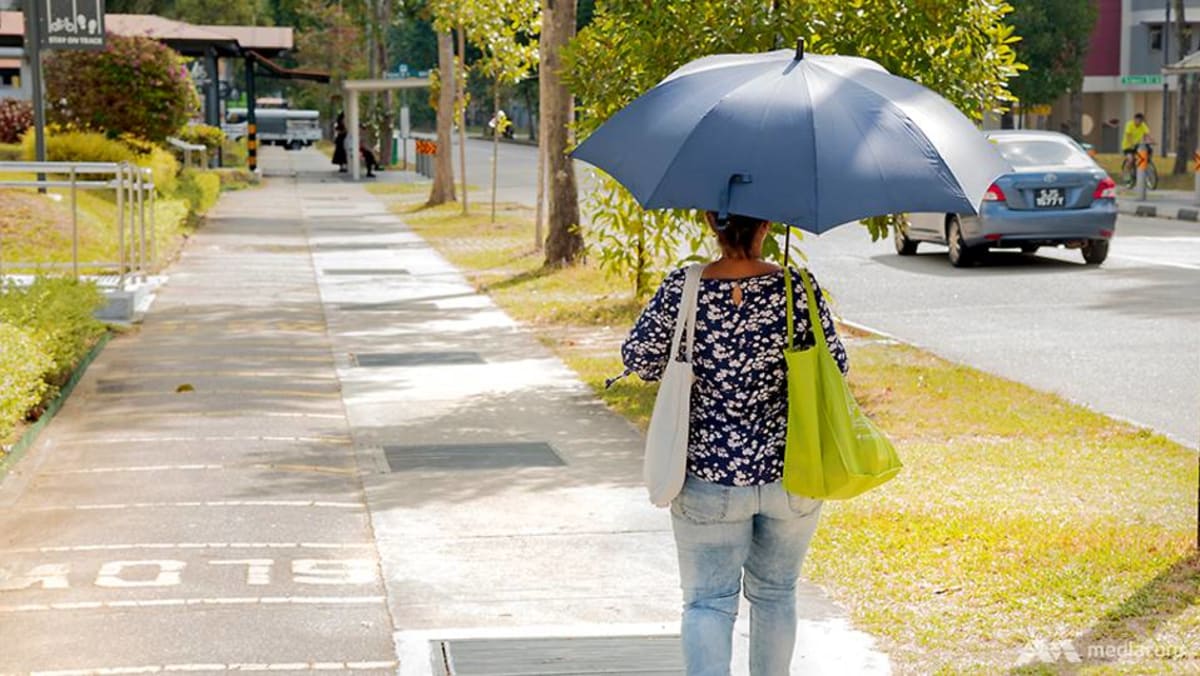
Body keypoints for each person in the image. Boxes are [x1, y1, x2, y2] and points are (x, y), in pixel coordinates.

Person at [621, 212, 849, 676]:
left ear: (712, 224)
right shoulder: (798, 288)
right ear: (766, 226)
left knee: (707, 601)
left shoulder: (684, 289)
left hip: (707, 476)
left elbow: (638, 359)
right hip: (793, 473)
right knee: (777, 594)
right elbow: (837, 367)